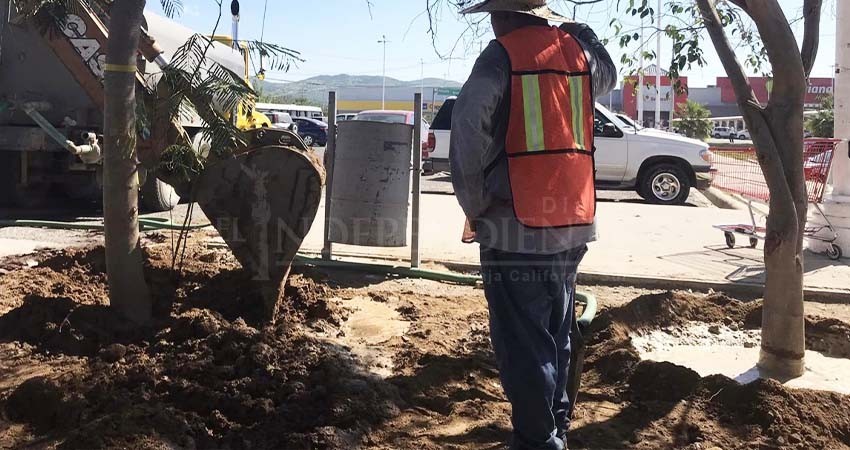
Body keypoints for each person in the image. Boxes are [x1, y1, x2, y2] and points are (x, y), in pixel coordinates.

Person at [449, 1, 616, 449]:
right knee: (555, 334)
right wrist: (584, 33)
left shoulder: (501, 54)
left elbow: (468, 125)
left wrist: (476, 202)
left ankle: (539, 441)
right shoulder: (576, 51)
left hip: (515, 224)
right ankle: (554, 430)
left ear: (500, 15)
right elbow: (609, 75)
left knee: (524, 344)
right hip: (573, 220)